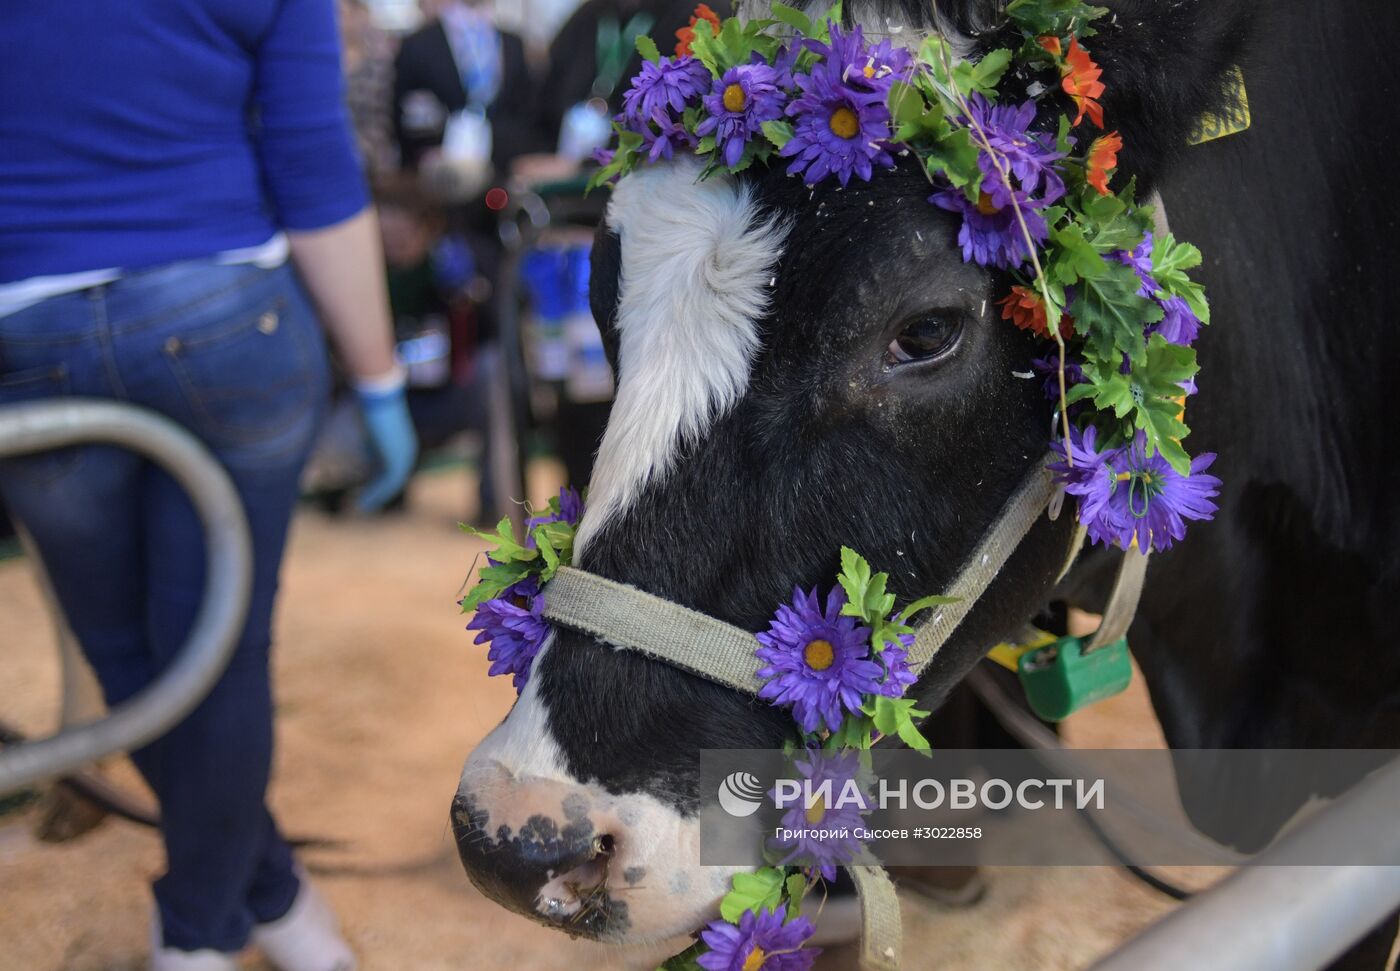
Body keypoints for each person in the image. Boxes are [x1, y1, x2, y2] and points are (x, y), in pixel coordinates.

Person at [0, 2, 417, 969]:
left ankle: (235, 905)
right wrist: (382, 379)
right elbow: (316, 175)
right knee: (216, 660)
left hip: (26, 328)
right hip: (226, 315)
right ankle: (219, 916)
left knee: (133, 662)